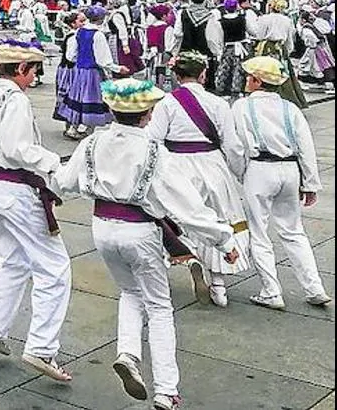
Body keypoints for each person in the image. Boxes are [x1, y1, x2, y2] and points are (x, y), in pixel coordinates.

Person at [54, 78, 240, 410]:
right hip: (139, 231)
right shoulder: (154, 151)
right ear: (149, 114)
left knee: (129, 292)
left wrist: (47, 177)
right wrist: (223, 238)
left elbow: (65, 183)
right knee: (158, 307)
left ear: (111, 109)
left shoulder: (92, 143)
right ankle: (166, 390)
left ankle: (128, 353)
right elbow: (188, 207)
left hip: (102, 229)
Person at [0, 41, 72, 382]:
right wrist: (53, 162)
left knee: (12, 259)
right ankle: (42, 347)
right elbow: (17, 149)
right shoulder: (14, 98)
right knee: (54, 267)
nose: (34, 77)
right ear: (19, 70)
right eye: (32, 70)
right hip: (15, 188)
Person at [145, 51, 252, 307]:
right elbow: (232, 144)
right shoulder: (219, 103)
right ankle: (218, 285)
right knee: (215, 219)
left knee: (178, 217)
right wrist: (238, 172)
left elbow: (153, 138)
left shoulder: (166, 103)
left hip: (178, 165)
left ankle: (185, 256)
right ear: (203, 75)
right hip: (212, 164)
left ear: (176, 75)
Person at [229, 56, 331, 310]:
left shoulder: (241, 107)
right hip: (289, 168)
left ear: (256, 80)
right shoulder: (290, 108)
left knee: (259, 232)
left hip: (260, 168)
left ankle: (271, 290)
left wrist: (241, 173)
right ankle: (314, 287)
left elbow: (237, 145)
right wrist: (310, 183)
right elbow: (306, 147)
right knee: (294, 230)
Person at [58, 5, 126, 140]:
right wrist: (118, 68)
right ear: (100, 19)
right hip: (93, 72)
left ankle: (74, 127)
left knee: (78, 97)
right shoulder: (98, 35)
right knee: (94, 98)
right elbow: (103, 60)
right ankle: (90, 130)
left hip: (80, 70)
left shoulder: (79, 32)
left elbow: (71, 55)